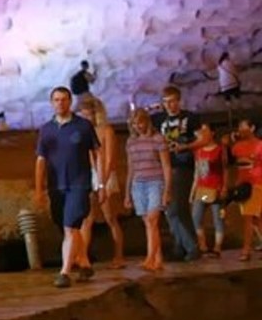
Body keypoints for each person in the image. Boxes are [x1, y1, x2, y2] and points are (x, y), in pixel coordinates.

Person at [35, 86, 101, 288]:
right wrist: (39, 188)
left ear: (70, 101)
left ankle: (64, 272)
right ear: (51, 103)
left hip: (79, 183)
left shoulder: (83, 126)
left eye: (64, 99)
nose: (60, 103)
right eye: (56, 100)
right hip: (57, 185)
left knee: (70, 225)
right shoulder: (46, 130)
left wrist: (101, 182)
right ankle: (84, 263)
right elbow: (41, 159)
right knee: (65, 226)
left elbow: (97, 153)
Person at [152, 86, 201, 262]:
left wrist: (186, 147)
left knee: (176, 207)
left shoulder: (190, 118)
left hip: (182, 165)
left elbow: (203, 138)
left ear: (178, 100)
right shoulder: (158, 119)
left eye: (173, 101)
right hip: (164, 166)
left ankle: (190, 246)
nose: (170, 105)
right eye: (166, 102)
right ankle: (180, 245)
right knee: (171, 209)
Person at [77, 96, 127, 268]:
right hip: (89, 175)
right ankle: (83, 257)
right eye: (82, 115)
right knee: (87, 219)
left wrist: (103, 183)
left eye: (88, 115)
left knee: (110, 217)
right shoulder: (83, 133)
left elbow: (110, 158)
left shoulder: (106, 131)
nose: (85, 118)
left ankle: (119, 256)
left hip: (105, 174)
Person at [124, 109, 172, 271]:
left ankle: (150, 257)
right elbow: (131, 167)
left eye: (141, 122)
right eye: (135, 124)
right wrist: (127, 192)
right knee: (149, 224)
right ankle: (158, 259)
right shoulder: (131, 142)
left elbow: (166, 166)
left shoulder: (158, 139)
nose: (138, 126)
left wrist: (167, 190)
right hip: (138, 184)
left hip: (155, 182)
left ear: (147, 122)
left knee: (152, 220)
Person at [190, 121, 228, 258]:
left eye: (206, 130)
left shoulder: (219, 149)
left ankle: (217, 247)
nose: (203, 133)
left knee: (218, 217)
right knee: (196, 216)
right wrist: (192, 191)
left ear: (212, 133)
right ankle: (203, 245)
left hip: (215, 188)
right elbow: (197, 172)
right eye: (202, 130)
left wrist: (224, 187)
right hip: (202, 189)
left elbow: (224, 169)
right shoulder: (198, 150)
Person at [230, 117, 262, 261]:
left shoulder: (260, 145)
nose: (241, 130)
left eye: (244, 127)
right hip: (243, 183)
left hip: (256, 182)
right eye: (240, 127)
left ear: (252, 128)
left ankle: (246, 250)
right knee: (256, 218)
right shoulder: (237, 146)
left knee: (249, 217)